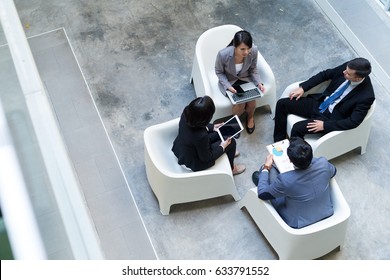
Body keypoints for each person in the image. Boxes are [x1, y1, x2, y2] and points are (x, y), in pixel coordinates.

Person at [273, 57, 375, 142]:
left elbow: (353, 121)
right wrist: (303, 88)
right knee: (282, 104)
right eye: (346, 70)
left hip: (329, 118)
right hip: (320, 103)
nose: (344, 72)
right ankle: (278, 143)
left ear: (358, 78)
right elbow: (325, 74)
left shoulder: (367, 96)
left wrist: (325, 126)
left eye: (348, 74)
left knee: (297, 128)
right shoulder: (349, 67)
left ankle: (295, 156)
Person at [251, 137, 336, 228]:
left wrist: (266, 167)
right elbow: (334, 171)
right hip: (326, 211)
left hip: (298, 221)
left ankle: (262, 178)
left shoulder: (285, 180)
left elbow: (262, 194)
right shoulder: (323, 163)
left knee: (269, 169)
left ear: (290, 160)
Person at [172, 96, 246, 175]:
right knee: (231, 142)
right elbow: (206, 158)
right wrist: (222, 147)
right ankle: (232, 169)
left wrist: (213, 127)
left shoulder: (187, 112)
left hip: (185, 145)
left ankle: (228, 151)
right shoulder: (201, 136)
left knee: (221, 132)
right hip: (195, 159)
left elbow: (197, 125)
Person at [215, 30, 265, 135]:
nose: (246, 52)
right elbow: (219, 72)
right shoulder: (223, 54)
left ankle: (250, 117)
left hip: (245, 78)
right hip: (230, 81)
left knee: (252, 101)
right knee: (240, 103)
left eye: (248, 48)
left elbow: (253, 69)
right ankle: (235, 121)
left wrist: (258, 83)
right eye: (242, 49)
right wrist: (228, 86)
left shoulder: (254, 51)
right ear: (235, 46)